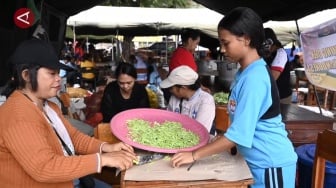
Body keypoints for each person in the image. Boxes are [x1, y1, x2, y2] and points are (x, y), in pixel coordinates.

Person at [170, 7, 297, 188]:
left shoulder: (255, 78)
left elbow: (238, 135)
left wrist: (194, 155)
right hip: (254, 162)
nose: (221, 49)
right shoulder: (244, 72)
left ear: (246, 39)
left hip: (270, 165)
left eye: (226, 43)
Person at [0, 38, 137, 187]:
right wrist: (103, 159)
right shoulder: (18, 115)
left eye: (58, 73)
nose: (59, 79)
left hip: (68, 180)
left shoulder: (49, 106)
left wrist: (106, 147)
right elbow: (44, 168)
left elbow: (73, 137)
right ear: (26, 75)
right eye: (52, 73)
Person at [160, 66, 216, 134]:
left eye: (171, 88)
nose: (170, 91)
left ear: (183, 88)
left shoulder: (206, 101)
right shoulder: (174, 97)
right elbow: (168, 120)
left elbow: (200, 132)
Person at [264, 27, 292, 104]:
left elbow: (272, 78)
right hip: (273, 95)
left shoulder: (280, 54)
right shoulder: (269, 54)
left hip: (282, 97)